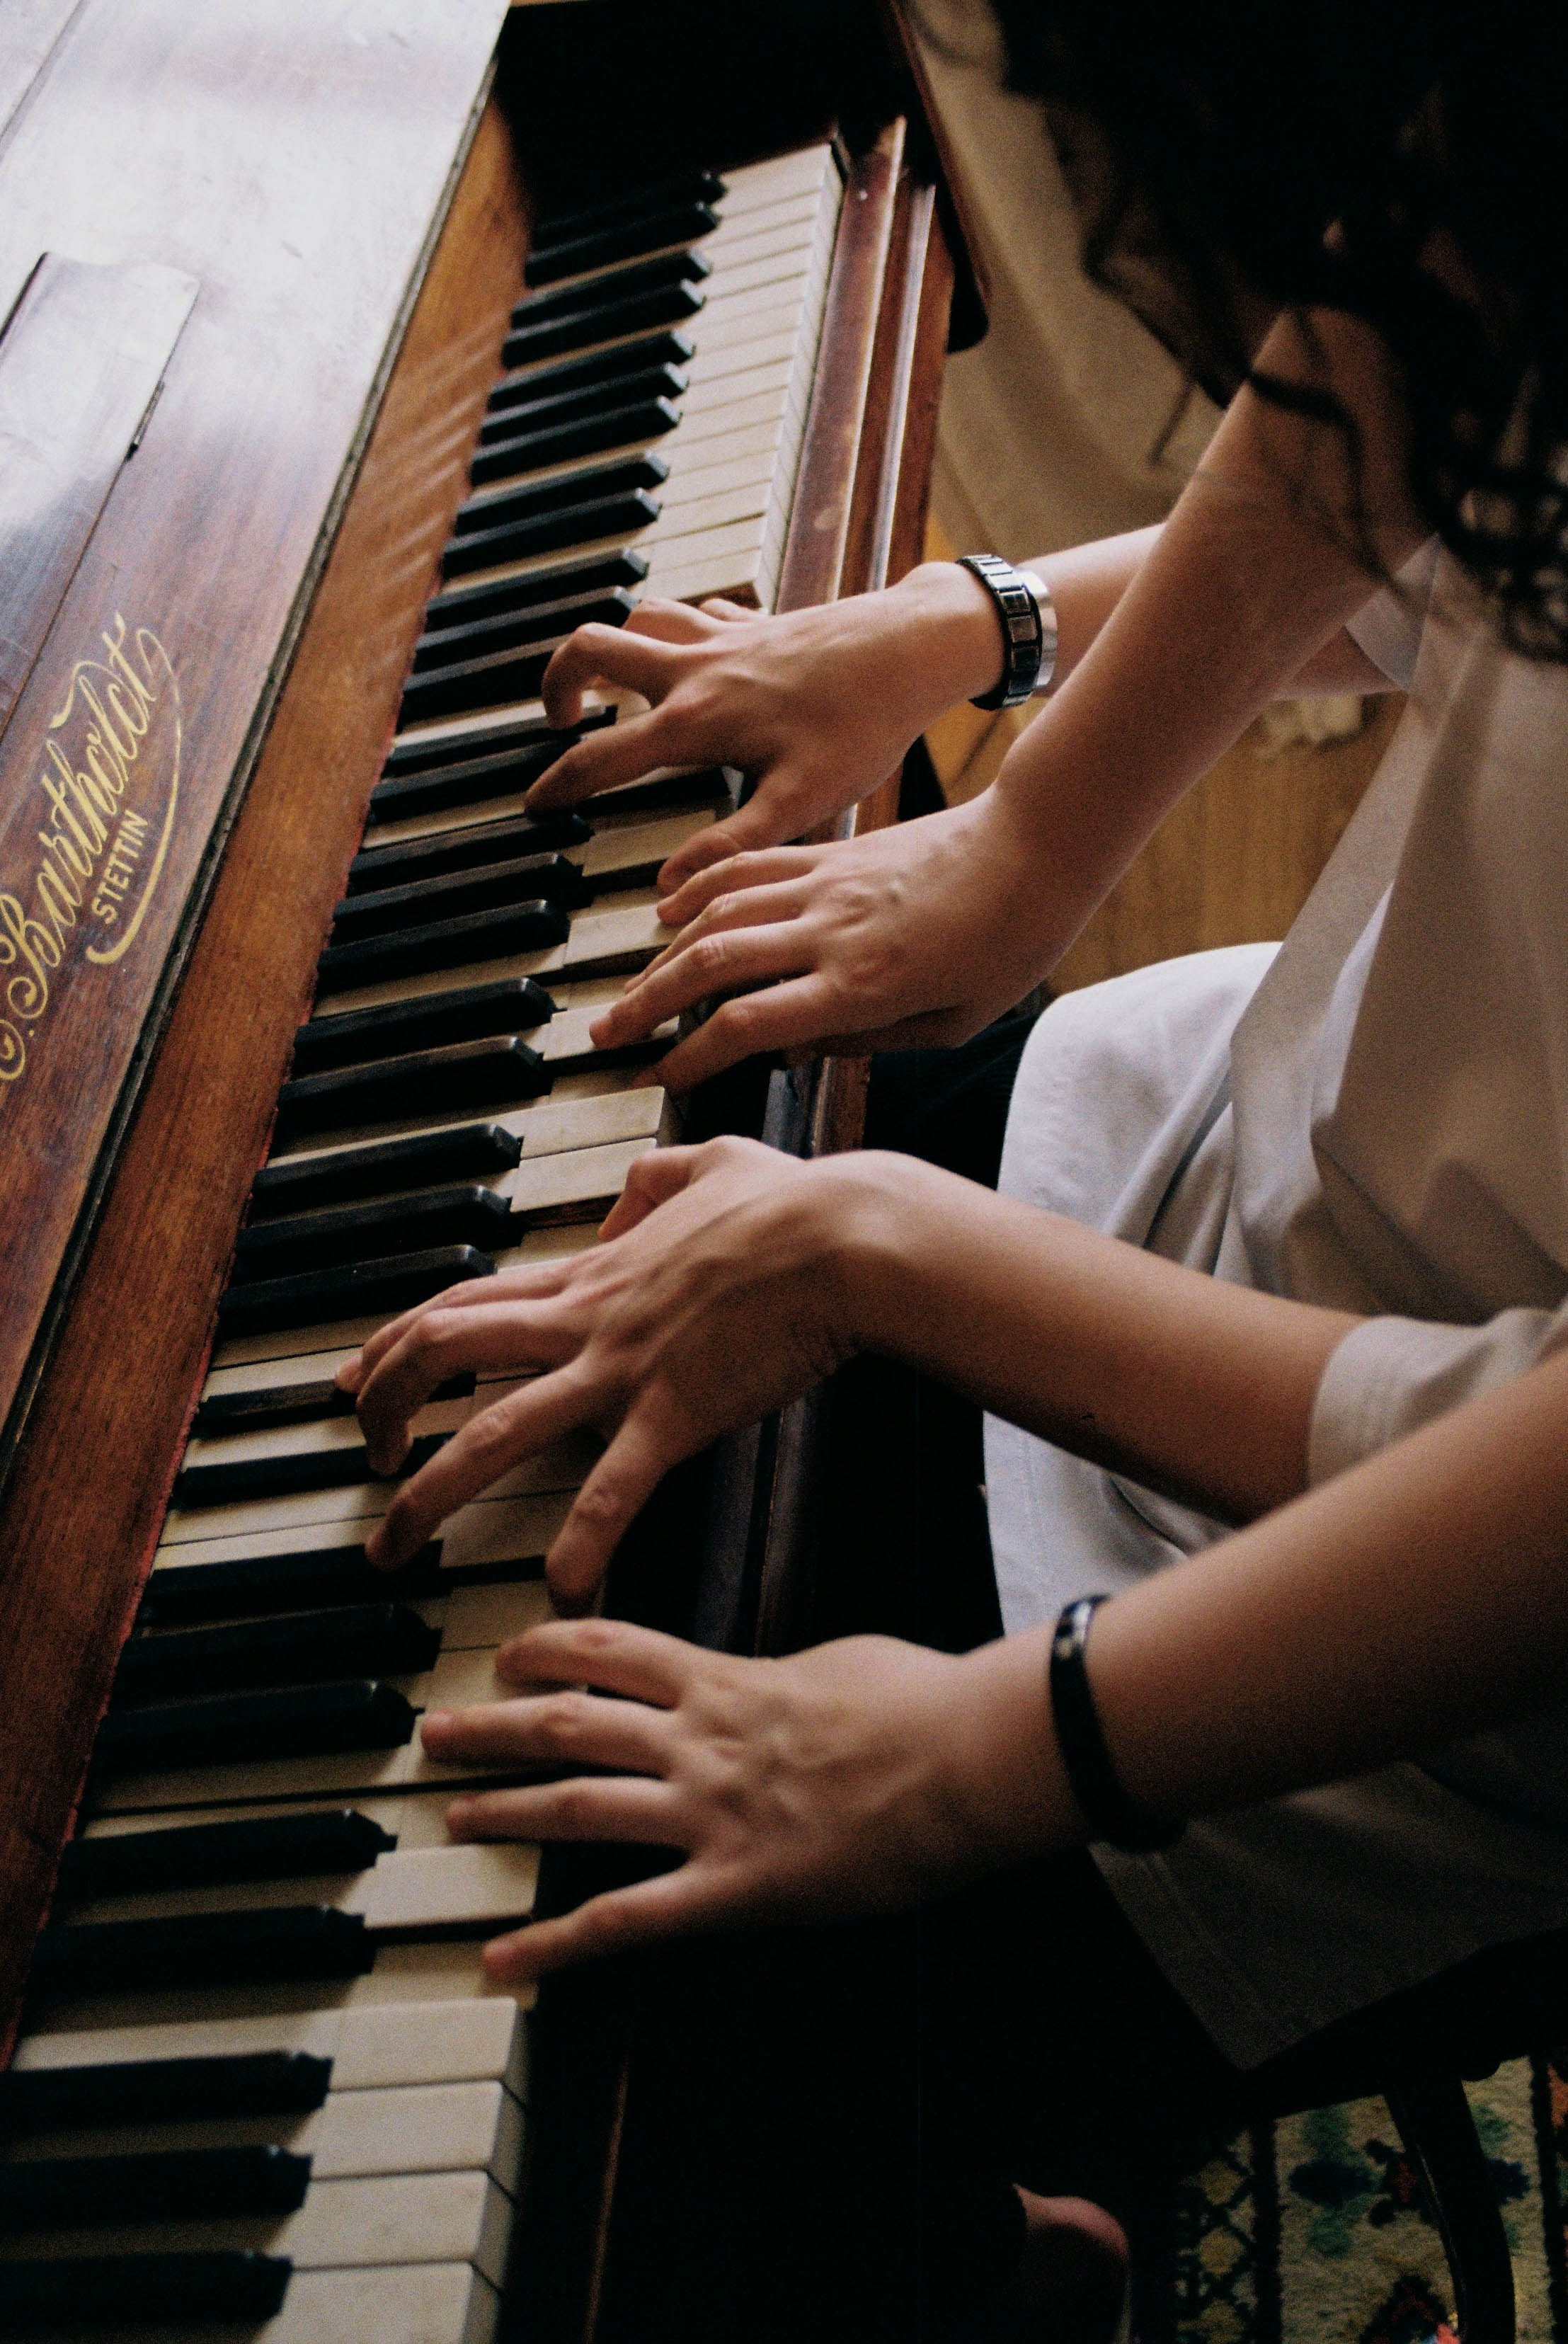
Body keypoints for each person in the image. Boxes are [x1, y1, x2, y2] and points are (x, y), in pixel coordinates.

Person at [336, 1, 1568, 2331]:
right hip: (1247, 1158)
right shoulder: (1515, 148)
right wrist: (980, 686)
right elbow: (1445, 365)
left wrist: (1000, 1742)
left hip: (1375, 1660)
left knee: (611, 2063)